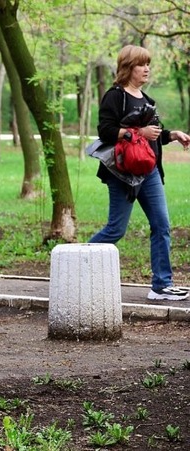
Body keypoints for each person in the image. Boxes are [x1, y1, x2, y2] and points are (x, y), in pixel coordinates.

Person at [89, 45, 190, 301]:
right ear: (127, 68)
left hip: (150, 171)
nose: (147, 69)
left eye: (148, 64)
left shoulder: (146, 100)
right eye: (141, 65)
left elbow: (152, 137)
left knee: (161, 225)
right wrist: (136, 133)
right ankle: (77, 262)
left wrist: (172, 135)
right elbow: (105, 131)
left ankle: (161, 285)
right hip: (122, 173)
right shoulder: (115, 96)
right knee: (115, 230)